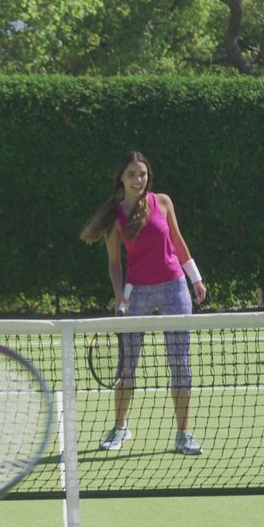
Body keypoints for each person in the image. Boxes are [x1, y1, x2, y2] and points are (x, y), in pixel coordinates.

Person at [79, 151, 208, 456]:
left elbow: (178, 241)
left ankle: (183, 434)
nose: (139, 179)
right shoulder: (115, 217)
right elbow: (114, 263)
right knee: (127, 365)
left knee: (180, 363)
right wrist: (120, 294)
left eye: (143, 174)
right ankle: (120, 428)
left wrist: (196, 279)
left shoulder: (163, 202)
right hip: (137, 292)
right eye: (132, 175)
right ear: (121, 179)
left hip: (174, 287)